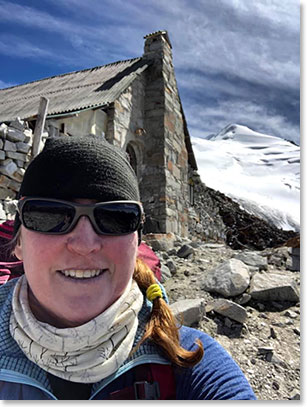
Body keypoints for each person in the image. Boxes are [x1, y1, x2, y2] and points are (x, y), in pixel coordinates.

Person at [0, 135, 256, 400]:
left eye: (115, 217)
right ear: (18, 242)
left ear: (136, 243)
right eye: (49, 215)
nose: (85, 244)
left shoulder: (190, 359)